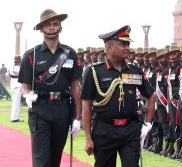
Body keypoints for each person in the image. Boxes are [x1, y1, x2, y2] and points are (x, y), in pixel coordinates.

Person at [81, 25, 156, 167]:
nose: (127, 48)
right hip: (105, 130)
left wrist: (147, 124)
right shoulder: (94, 72)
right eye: (123, 44)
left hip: (130, 129)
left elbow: (151, 95)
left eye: (128, 44)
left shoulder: (134, 70)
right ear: (109, 48)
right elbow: (87, 106)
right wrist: (88, 138)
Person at [18, 9, 82, 167]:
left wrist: (78, 118)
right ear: (41, 28)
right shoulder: (31, 55)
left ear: (60, 27)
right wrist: (27, 96)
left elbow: (75, 87)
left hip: (62, 109)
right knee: (41, 160)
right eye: (47, 25)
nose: (52, 27)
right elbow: (25, 86)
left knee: (55, 159)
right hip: (40, 110)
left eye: (55, 24)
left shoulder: (70, 54)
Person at [10, 56, 23, 122]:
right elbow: (22, 74)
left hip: (14, 86)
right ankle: (14, 118)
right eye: (20, 61)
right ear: (18, 61)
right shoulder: (17, 68)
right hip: (17, 86)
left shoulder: (13, 67)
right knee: (16, 102)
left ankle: (15, 117)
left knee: (15, 102)